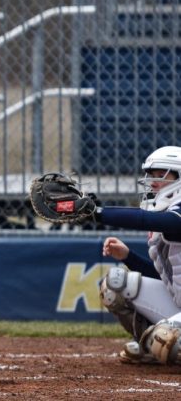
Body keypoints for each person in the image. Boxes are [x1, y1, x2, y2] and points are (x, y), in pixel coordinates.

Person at [92, 145, 181, 365]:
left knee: (166, 338)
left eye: (161, 175)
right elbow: (165, 278)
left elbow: (152, 220)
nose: (153, 182)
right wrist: (128, 257)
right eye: (151, 176)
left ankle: (157, 342)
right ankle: (148, 346)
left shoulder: (171, 216)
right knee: (115, 284)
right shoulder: (166, 212)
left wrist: (97, 213)